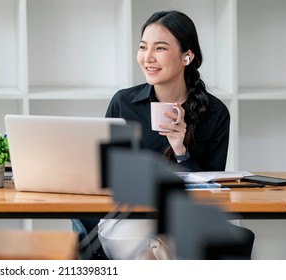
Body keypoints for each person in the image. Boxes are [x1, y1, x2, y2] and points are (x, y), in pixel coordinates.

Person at [79, 10, 254, 260]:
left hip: (181, 220)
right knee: (157, 245)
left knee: (162, 247)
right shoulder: (123, 103)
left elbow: (211, 190)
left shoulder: (214, 113)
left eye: (159, 48)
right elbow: (106, 174)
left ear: (187, 56)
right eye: (143, 47)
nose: (147, 58)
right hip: (126, 220)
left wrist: (181, 151)